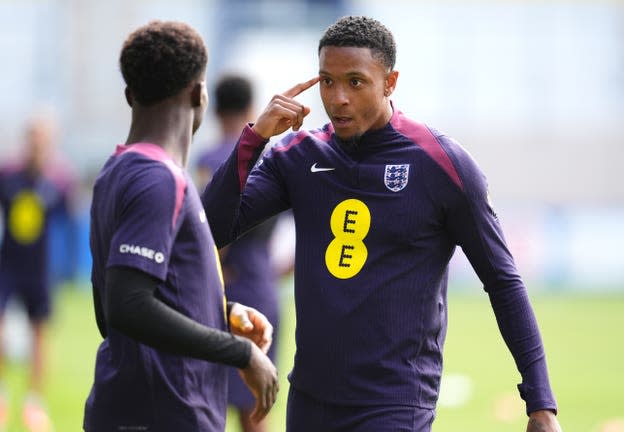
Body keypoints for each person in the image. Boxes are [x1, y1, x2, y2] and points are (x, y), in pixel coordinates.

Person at [203, 15, 563, 432]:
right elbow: (210, 228)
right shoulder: (299, 155)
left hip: (395, 404)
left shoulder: (442, 163)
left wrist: (541, 404)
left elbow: (503, 281)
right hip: (310, 402)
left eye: (355, 82)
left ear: (390, 82)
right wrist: (254, 139)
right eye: (327, 81)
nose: (338, 98)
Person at [83, 21, 278, 432]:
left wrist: (220, 311)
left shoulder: (114, 172)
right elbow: (127, 304)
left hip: (132, 408)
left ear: (129, 94)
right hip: (166, 411)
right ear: (198, 93)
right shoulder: (160, 179)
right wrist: (240, 354)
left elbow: (111, 308)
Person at [194, 74, 289, 432]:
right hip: (264, 288)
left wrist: (209, 267)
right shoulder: (271, 158)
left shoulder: (210, 157)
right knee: (257, 408)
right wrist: (277, 270)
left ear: (215, 108)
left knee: (208, 406)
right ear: (251, 107)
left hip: (226, 292)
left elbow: (214, 227)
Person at [0, 112, 72, 432]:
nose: (37, 144)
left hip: (39, 271)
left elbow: (68, 222)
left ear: (50, 143)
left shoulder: (59, 181)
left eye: (43, 139)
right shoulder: (4, 175)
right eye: (33, 137)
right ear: (26, 140)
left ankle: (34, 402)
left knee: (39, 334)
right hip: (8, 267)